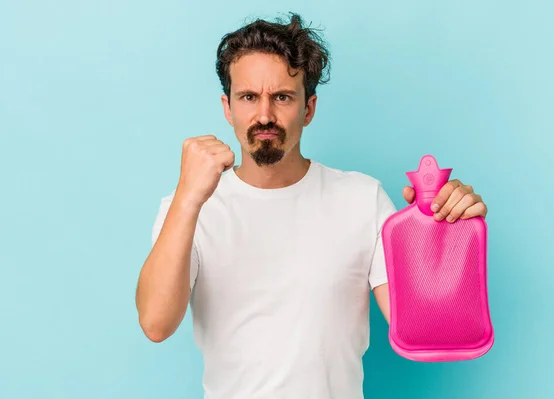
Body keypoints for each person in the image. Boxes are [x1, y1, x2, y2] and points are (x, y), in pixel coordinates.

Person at [135, 12, 488, 399]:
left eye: (282, 97)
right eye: (249, 97)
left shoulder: (362, 199)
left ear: (308, 108)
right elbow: (155, 323)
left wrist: (446, 233)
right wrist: (188, 198)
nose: (264, 115)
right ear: (228, 108)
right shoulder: (187, 207)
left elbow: (426, 327)